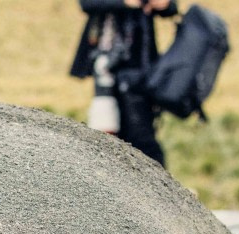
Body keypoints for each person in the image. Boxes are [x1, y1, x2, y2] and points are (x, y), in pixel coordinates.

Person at [70, 0, 177, 166]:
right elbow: (87, 3)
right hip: (107, 70)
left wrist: (164, 4)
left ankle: (159, 189)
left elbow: (170, 8)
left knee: (141, 138)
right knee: (108, 135)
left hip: (141, 68)